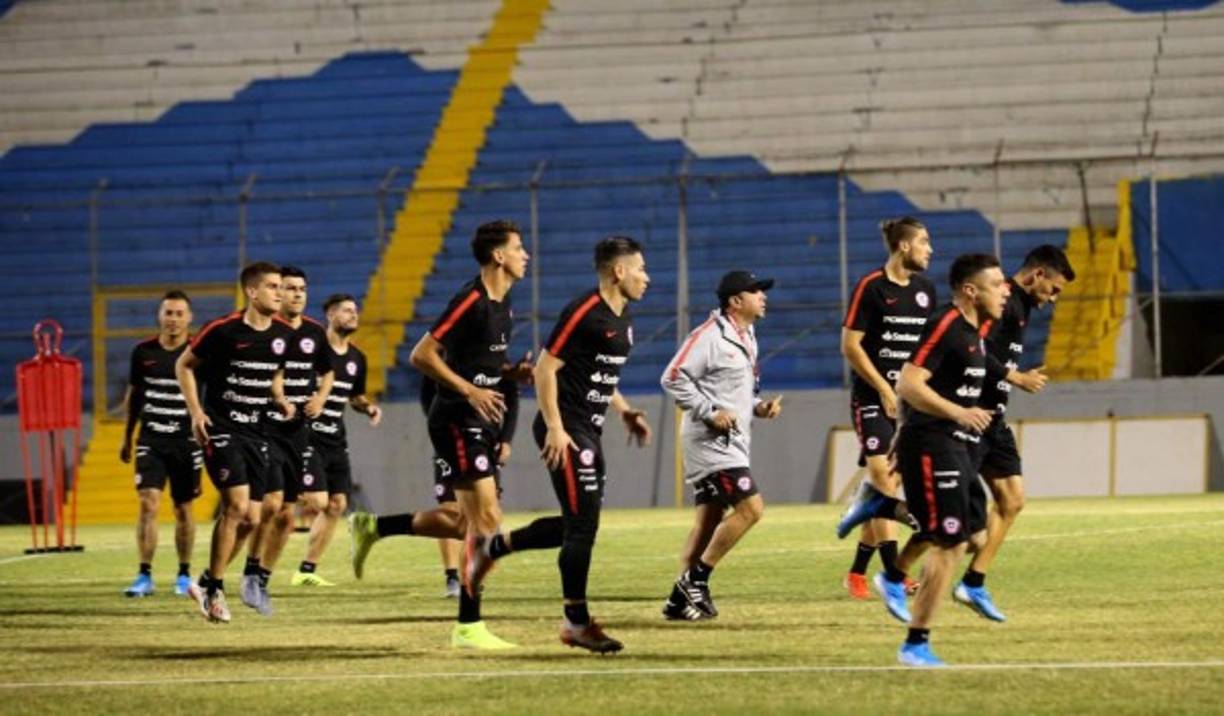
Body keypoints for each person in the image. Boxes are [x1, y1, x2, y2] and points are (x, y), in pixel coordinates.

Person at [406, 219, 528, 650]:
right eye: (519, 248)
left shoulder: (503, 302)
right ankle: (468, 624)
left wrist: (511, 374)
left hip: (478, 420)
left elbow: (477, 362)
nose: (526, 255)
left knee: (476, 524)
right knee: (486, 521)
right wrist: (469, 390)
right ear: (499, 255)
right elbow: (421, 355)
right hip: (456, 418)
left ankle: (469, 622)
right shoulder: (471, 300)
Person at [533, 235, 653, 653]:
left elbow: (598, 372)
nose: (646, 278)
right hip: (567, 429)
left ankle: (496, 547)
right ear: (619, 271)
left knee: (577, 523)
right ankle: (576, 623)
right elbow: (544, 369)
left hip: (590, 429)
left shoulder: (623, 318)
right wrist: (554, 427)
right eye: (640, 269)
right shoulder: (583, 311)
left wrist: (624, 410)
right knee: (583, 525)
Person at [889, 253, 1008, 667]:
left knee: (975, 536)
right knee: (949, 540)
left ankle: (881, 509)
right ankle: (915, 644)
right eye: (997, 285)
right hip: (933, 445)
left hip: (955, 446)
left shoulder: (976, 333)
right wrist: (958, 413)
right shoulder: (947, 324)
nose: (1005, 291)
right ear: (970, 291)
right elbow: (908, 383)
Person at [949, 245, 1073, 621]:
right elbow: (973, 347)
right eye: (1053, 289)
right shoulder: (1003, 300)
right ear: (1038, 274)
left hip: (994, 419)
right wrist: (1015, 376)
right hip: (972, 416)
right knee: (961, 528)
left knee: (1013, 500)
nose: (1052, 299)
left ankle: (973, 582)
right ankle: (897, 562)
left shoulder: (1020, 307)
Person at [660, 270, 782, 621]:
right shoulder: (709, 336)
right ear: (735, 301)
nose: (763, 297)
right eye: (756, 292)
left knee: (708, 522)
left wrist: (758, 407)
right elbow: (671, 377)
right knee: (751, 509)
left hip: (733, 441)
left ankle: (678, 600)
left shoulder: (747, 335)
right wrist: (709, 411)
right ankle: (696, 580)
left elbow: (734, 391)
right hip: (710, 443)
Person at [177, 262, 294, 623]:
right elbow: (184, 365)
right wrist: (196, 412)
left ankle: (204, 581)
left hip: (257, 432)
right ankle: (215, 591)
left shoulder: (282, 335)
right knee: (238, 506)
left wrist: (279, 397)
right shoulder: (222, 330)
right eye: (273, 286)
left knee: (253, 518)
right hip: (222, 427)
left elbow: (274, 370)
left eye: (281, 287)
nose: (280, 293)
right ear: (252, 292)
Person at [837, 217, 935, 600]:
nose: (930, 249)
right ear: (904, 246)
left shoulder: (926, 291)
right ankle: (896, 574)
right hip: (872, 399)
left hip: (911, 404)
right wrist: (883, 389)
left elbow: (927, 350)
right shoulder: (871, 287)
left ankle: (856, 572)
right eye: (924, 242)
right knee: (882, 477)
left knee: (887, 488)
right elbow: (850, 346)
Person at [238, 266, 334, 615]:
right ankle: (249, 570)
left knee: (287, 517)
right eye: (289, 288)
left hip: (298, 432)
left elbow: (328, 371)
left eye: (301, 289)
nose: (296, 294)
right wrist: (278, 396)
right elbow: (268, 372)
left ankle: (261, 578)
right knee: (271, 503)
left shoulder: (314, 332)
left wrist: (320, 398)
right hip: (266, 427)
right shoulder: (268, 329)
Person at [120, 290, 201, 598]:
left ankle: (184, 574)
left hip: (186, 441)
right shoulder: (143, 352)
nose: (173, 319)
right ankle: (144, 575)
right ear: (159, 315)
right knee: (148, 502)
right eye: (168, 313)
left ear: (189, 318)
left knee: (183, 508)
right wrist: (127, 437)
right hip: (151, 439)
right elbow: (134, 397)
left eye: (179, 314)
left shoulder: (198, 352)